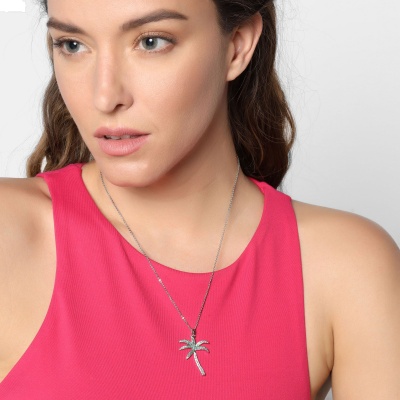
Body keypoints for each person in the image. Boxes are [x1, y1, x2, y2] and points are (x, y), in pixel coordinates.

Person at [0, 0, 398, 398]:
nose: (105, 97)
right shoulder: (10, 235)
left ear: (237, 46)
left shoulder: (344, 267)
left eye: (151, 42)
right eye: (72, 45)